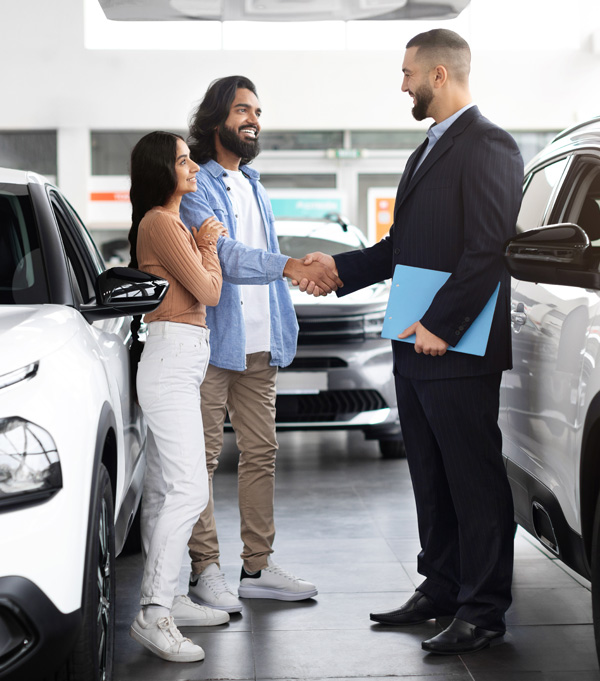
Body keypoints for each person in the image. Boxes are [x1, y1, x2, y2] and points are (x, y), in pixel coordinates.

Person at [302, 29, 524, 655]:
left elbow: (489, 250)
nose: (400, 83)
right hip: (413, 342)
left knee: (474, 480)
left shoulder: (490, 145)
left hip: (455, 346)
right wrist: (339, 269)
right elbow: (403, 249)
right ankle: (442, 586)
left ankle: (483, 612)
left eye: (406, 73)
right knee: (429, 472)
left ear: (438, 75)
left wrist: (442, 325)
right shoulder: (425, 150)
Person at [179, 76, 340, 612]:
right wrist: (293, 267)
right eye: (242, 109)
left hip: (259, 343)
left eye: (258, 111)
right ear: (216, 120)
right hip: (213, 342)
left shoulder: (254, 185)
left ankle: (257, 568)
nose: (254, 119)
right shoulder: (197, 185)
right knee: (201, 459)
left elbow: (261, 257)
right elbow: (222, 257)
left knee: (262, 453)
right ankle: (205, 571)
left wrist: (290, 285)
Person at [127, 131, 231, 662]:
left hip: (180, 358)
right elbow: (210, 293)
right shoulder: (163, 222)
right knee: (190, 488)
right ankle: (152, 612)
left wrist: (202, 245)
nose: (193, 168)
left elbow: (199, 293)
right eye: (184, 161)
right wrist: (208, 244)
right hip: (171, 360)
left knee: (169, 487)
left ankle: (168, 597)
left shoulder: (169, 224)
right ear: (161, 171)